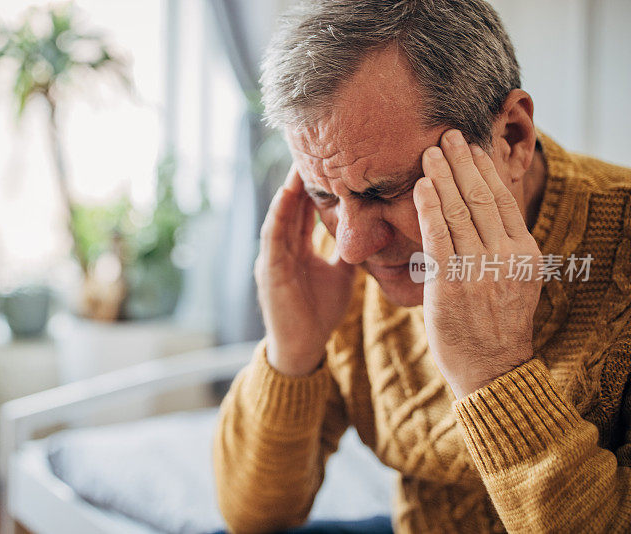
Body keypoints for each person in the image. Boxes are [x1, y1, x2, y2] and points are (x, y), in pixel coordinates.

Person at [212, 1, 631, 533]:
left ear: (512, 138)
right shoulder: (341, 274)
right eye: (324, 194)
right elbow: (251, 515)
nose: (352, 246)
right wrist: (291, 353)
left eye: (387, 190)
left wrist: (496, 372)